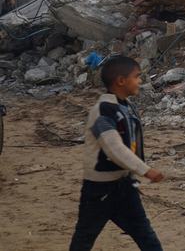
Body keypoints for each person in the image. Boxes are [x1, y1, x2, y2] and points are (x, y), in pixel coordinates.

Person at [69, 55, 165, 251]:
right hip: (99, 190)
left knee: (145, 234)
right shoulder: (103, 110)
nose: (140, 81)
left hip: (124, 185)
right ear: (121, 81)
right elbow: (113, 148)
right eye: (137, 76)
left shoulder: (126, 107)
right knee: (84, 238)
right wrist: (144, 169)